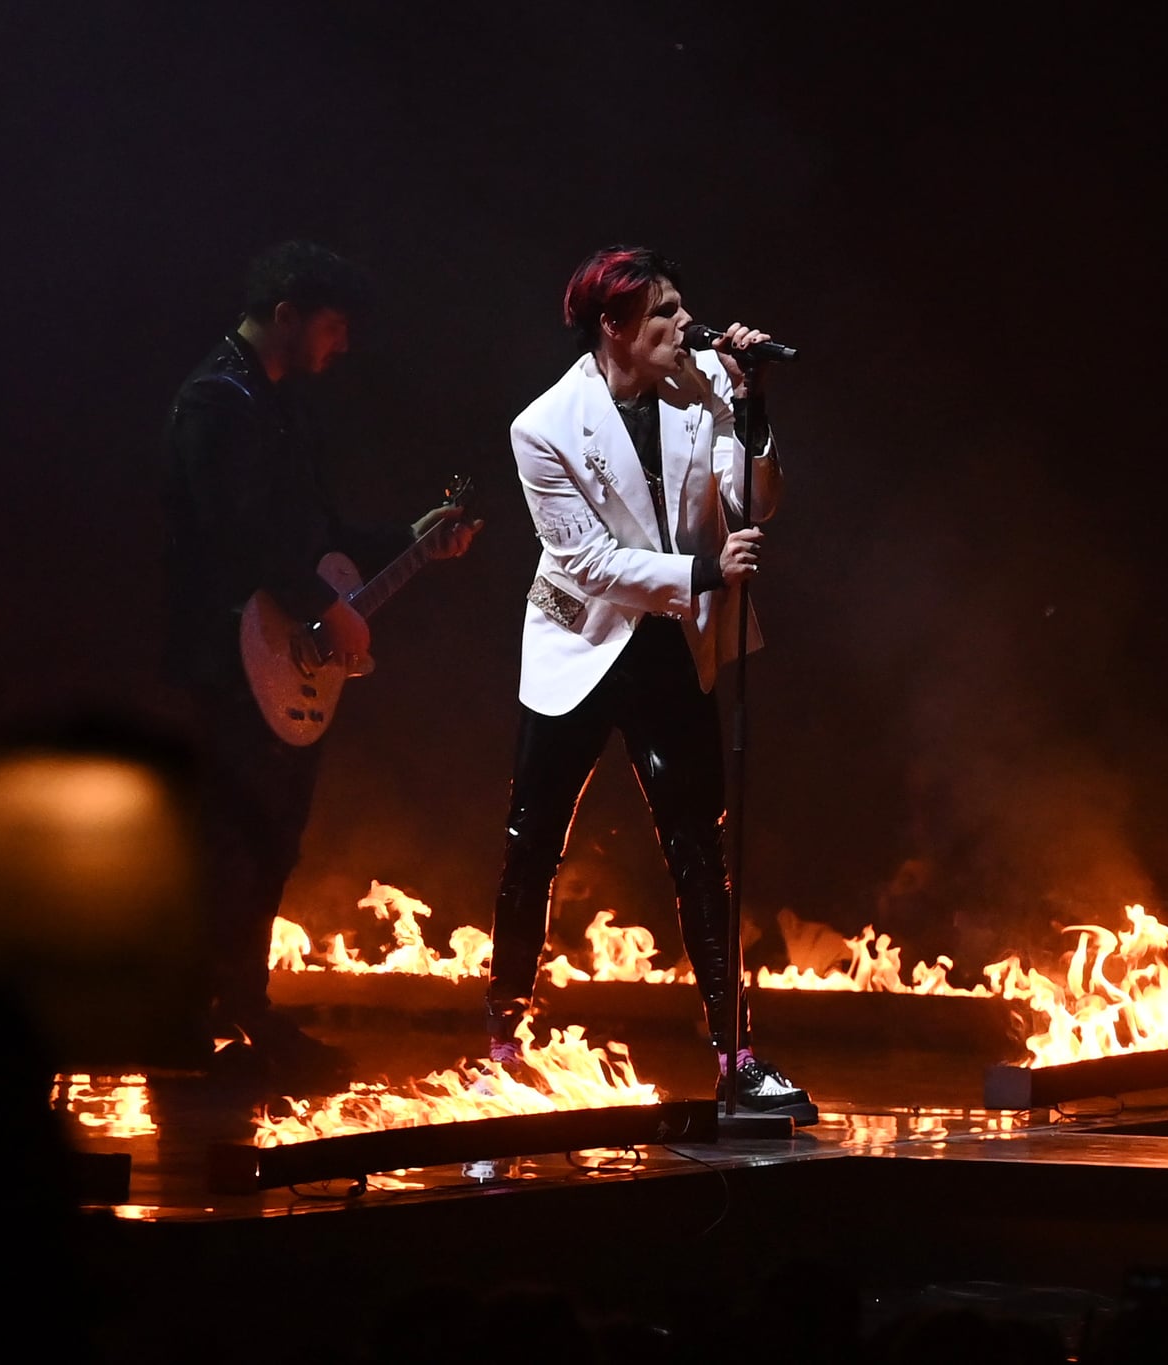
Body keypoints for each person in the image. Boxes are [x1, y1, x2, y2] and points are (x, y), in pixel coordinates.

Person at [484, 244, 815, 1121]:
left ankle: (736, 1054)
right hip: (580, 643)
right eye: (662, 313)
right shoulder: (544, 425)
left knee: (699, 843)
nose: (682, 325)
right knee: (533, 840)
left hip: (666, 639)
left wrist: (754, 405)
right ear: (614, 327)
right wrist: (705, 572)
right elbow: (588, 563)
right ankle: (503, 1041)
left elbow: (755, 503)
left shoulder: (707, 382)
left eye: (681, 308)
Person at [159, 239, 481, 1090]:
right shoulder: (213, 402)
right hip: (226, 656)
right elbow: (237, 539)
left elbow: (320, 540)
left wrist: (409, 542)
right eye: (334, 325)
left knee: (271, 840)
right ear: (288, 313)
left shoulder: (284, 408)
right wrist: (320, 606)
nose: (343, 345)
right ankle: (200, 1023)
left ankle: (242, 1010)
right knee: (226, 839)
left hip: (279, 656)